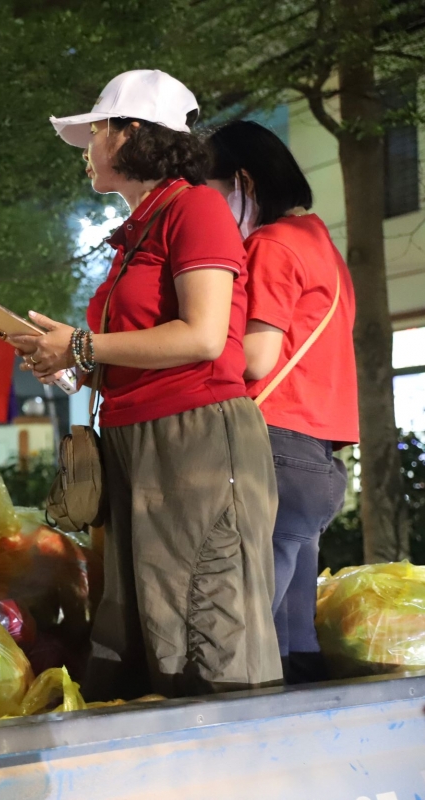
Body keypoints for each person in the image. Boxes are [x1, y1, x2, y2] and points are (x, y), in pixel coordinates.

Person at [15, 70, 281, 698]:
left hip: (195, 441)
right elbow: (142, 344)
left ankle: (226, 756)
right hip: (133, 440)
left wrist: (82, 346)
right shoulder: (139, 227)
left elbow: (204, 336)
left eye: (96, 132)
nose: (87, 149)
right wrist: (73, 361)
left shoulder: (196, 207)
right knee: (137, 623)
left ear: (132, 133)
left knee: (206, 627)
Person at [206, 121, 358, 684]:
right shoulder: (323, 245)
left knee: (251, 639)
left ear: (243, 182)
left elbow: (257, 357)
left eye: (214, 192)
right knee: (295, 639)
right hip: (317, 456)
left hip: (275, 447)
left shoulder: (271, 244)